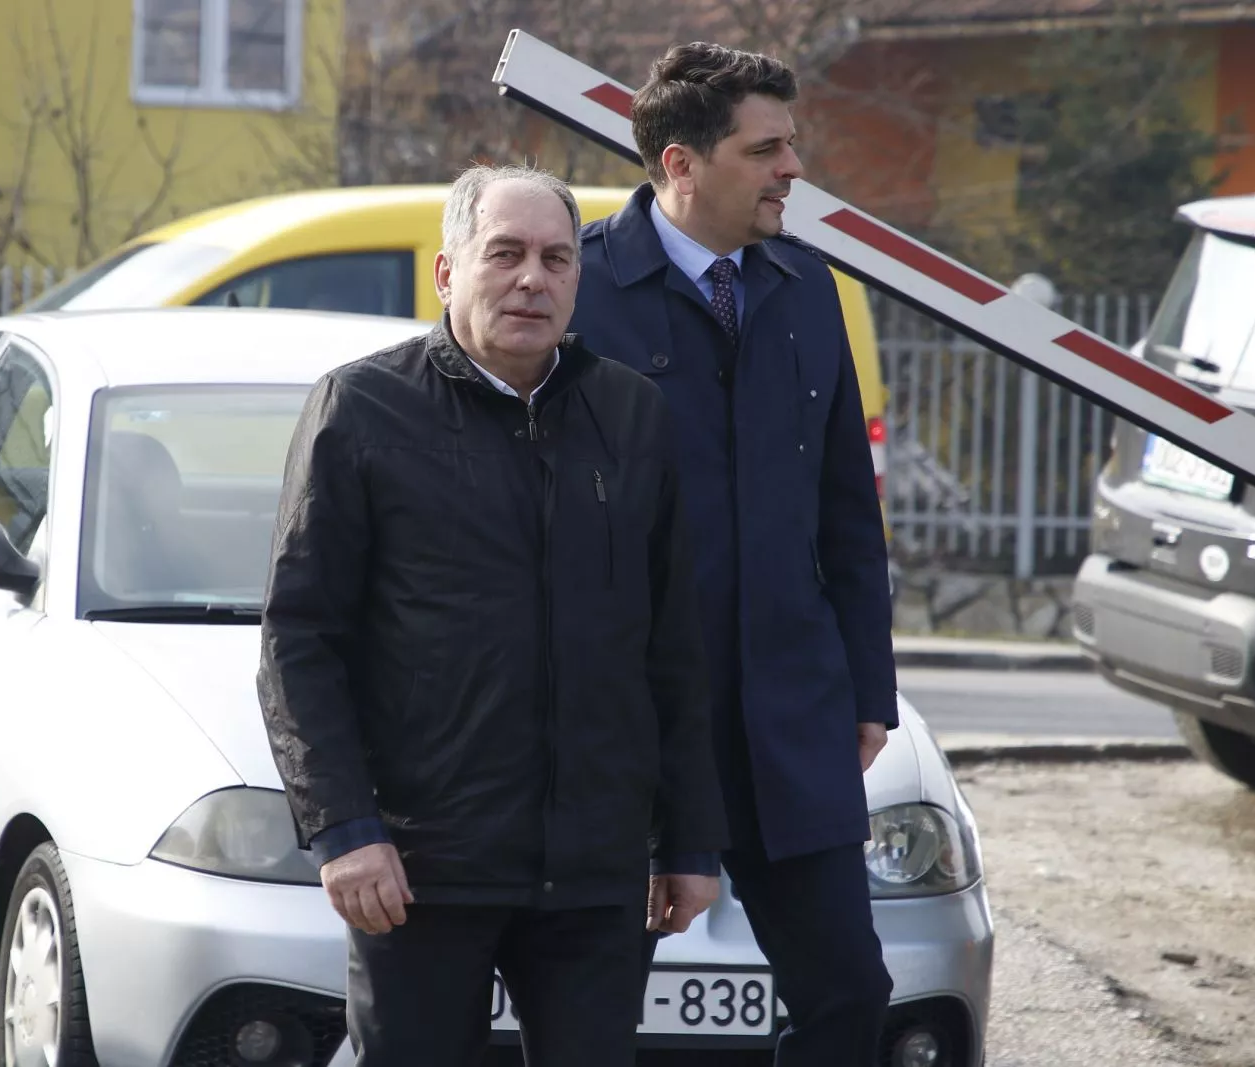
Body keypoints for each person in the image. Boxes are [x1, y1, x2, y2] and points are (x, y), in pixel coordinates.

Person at [256, 162, 729, 1067]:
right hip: (421, 867)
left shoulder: (631, 415)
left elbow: (673, 645)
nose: (531, 280)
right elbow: (300, 639)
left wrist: (689, 839)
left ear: (578, 279)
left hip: (595, 873)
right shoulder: (362, 409)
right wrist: (344, 830)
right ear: (448, 272)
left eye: (556, 259)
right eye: (505, 254)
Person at [568, 42, 900, 1066]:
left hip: (788, 720)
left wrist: (868, 690)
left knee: (851, 996)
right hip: (629, 725)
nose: (792, 169)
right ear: (681, 163)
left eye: (790, 145)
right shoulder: (581, 288)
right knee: (585, 1016)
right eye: (765, 151)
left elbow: (847, 511)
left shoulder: (806, 288)